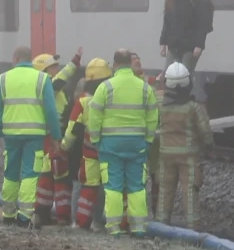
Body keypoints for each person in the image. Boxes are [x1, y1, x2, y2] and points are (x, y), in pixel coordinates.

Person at [87, 49, 158, 237]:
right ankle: (139, 228)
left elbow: (94, 116)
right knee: (137, 187)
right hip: (137, 143)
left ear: (115, 64)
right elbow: (153, 117)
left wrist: (96, 139)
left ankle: (114, 227)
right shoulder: (145, 88)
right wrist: (148, 140)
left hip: (111, 145)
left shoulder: (106, 87)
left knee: (113, 186)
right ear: (129, 63)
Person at [0, 46, 62, 227]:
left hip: (11, 136)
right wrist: (56, 137)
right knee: (30, 174)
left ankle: (7, 214)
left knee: (11, 173)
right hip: (35, 136)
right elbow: (51, 111)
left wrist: (0, 130)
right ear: (30, 59)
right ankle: (24, 217)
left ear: (15, 58)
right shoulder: (42, 79)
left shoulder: (3, 78)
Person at [155, 62, 213, 230]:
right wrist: (209, 145)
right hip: (189, 155)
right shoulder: (194, 107)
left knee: (165, 189)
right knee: (190, 190)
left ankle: (161, 224)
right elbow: (205, 131)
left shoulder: (160, 103)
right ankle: (192, 227)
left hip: (165, 154)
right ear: (188, 82)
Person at [32, 47, 83, 225]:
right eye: (53, 66)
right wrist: (75, 61)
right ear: (43, 71)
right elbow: (63, 78)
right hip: (53, 139)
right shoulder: (50, 87)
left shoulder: (52, 90)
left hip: (50, 138)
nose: (57, 69)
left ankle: (44, 213)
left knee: (48, 176)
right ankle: (59, 216)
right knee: (58, 176)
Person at [60, 58, 111, 231]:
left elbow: (72, 127)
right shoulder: (112, 98)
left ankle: (80, 222)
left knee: (87, 187)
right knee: (104, 188)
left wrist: (65, 146)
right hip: (109, 152)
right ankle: (98, 221)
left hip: (89, 155)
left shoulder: (82, 102)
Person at [119, 52, 163, 233]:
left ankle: (154, 212)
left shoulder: (147, 82)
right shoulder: (135, 85)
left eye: (138, 59)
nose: (137, 61)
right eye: (133, 60)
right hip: (139, 138)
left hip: (152, 140)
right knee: (138, 179)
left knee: (157, 176)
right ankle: (134, 214)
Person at [158, 0, 213, 102]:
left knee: (185, 76)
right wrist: (163, 42)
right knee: (167, 75)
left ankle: (183, 101)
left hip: (190, 45)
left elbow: (203, 23)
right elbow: (167, 21)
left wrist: (199, 45)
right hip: (173, 44)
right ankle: (170, 101)